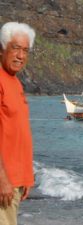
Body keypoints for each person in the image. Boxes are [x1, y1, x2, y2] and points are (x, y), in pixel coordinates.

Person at [0, 22, 35, 225]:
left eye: (25, 50)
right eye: (15, 48)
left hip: (15, 181)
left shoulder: (15, 82)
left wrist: (25, 177)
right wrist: (2, 177)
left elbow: (17, 130)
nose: (21, 56)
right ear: (3, 48)